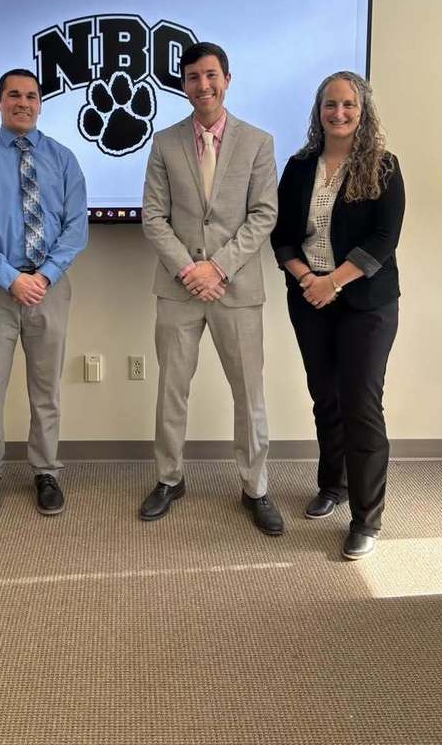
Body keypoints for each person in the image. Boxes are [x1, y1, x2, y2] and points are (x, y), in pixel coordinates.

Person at [139, 42, 283, 534]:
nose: (204, 85)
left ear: (227, 78)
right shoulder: (164, 143)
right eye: (194, 77)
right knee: (172, 389)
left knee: (249, 393)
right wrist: (189, 270)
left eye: (211, 75)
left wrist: (217, 268)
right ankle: (169, 479)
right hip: (179, 288)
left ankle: (255, 487)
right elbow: (154, 217)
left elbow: (265, 213)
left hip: (236, 288)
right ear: (183, 84)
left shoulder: (258, 142)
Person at [271, 71, 405, 560]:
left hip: (366, 303)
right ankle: (333, 485)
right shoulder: (300, 165)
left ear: (362, 110)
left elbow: (382, 239)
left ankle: (367, 518)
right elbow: (282, 234)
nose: (339, 113)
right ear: (318, 111)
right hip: (310, 298)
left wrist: (335, 281)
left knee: (361, 405)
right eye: (331, 105)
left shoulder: (383, 167)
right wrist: (309, 279)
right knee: (324, 396)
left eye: (349, 105)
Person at [0, 68, 88, 519]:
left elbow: (76, 228)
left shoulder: (64, 159)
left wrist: (44, 275)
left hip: (49, 287)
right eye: (13, 95)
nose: (23, 103)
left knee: (45, 388)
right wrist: (11, 277)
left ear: (40, 104)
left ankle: (46, 471)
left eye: (31, 96)